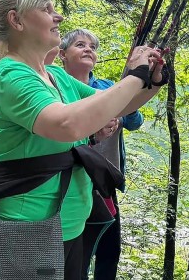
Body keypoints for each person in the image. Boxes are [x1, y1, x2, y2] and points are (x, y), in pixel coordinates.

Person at [0, 0, 167, 280]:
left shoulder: (55, 75)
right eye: (46, 9)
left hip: (70, 224)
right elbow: (66, 125)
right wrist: (135, 76)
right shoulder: (9, 75)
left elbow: (114, 105)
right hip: (29, 228)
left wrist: (153, 80)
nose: (57, 16)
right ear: (16, 20)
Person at [59, 28, 144, 280]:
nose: (88, 50)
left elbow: (135, 120)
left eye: (92, 47)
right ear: (62, 54)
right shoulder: (56, 87)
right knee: (78, 252)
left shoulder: (108, 87)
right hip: (69, 183)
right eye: (80, 45)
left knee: (109, 251)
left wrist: (120, 106)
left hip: (103, 183)